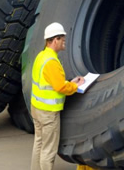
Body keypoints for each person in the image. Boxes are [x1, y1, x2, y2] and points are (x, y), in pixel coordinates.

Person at [30, 22, 85, 170]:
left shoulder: (41, 57)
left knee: (39, 144)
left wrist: (70, 82)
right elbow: (60, 87)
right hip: (48, 113)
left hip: (36, 108)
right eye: (62, 39)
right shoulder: (51, 62)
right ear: (55, 40)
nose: (64, 41)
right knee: (49, 150)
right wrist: (75, 86)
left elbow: (51, 82)